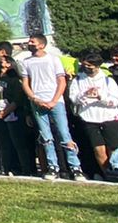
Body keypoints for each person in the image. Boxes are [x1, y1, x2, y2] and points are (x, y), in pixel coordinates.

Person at [20, 34, 84, 181]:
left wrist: (54, 100)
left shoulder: (53, 60)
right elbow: (25, 83)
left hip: (55, 100)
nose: (30, 44)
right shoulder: (26, 62)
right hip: (37, 101)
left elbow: (61, 81)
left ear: (41, 45)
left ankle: (75, 166)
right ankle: (52, 166)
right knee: (46, 136)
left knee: (64, 134)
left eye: (32, 42)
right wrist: (34, 98)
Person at [68, 52, 118, 176]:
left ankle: (117, 173)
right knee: (98, 150)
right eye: (84, 65)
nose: (86, 68)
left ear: (97, 66)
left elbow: (116, 101)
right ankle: (107, 175)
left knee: (113, 150)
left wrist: (100, 97)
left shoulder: (108, 80)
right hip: (89, 119)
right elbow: (73, 98)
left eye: (89, 65)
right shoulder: (78, 80)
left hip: (109, 118)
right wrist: (84, 95)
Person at [0, 49, 29, 176]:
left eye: (4, 61)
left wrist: (6, 111)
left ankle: (23, 169)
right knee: (3, 143)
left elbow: (18, 98)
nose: (0, 62)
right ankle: (7, 168)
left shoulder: (14, 80)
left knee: (18, 143)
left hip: (13, 114)